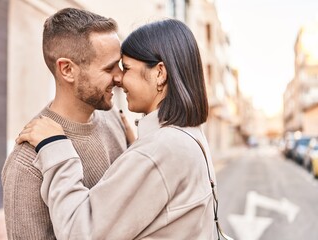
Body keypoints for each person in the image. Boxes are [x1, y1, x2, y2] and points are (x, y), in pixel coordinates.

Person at [17, 19, 219, 240]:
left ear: (160, 73)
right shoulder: (188, 134)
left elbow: (80, 232)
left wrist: (54, 147)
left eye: (127, 68)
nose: (120, 79)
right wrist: (138, 148)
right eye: (113, 68)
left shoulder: (158, 151)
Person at [1, 8, 134, 239]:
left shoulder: (114, 118)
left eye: (119, 65)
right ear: (67, 70)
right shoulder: (27, 164)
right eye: (109, 68)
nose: (120, 77)